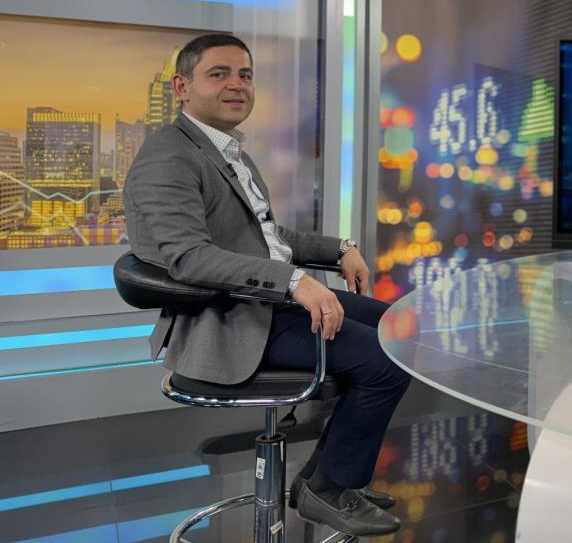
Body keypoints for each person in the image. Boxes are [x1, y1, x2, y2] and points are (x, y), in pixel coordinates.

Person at [124, 34, 408, 536]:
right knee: (383, 361)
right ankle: (331, 487)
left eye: (245, 75)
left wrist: (339, 248)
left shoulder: (227, 150)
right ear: (182, 87)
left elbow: (267, 238)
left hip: (265, 304)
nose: (237, 85)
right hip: (228, 320)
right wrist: (294, 281)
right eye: (219, 74)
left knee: (398, 331)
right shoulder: (168, 157)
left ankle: (321, 479)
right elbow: (190, 258)